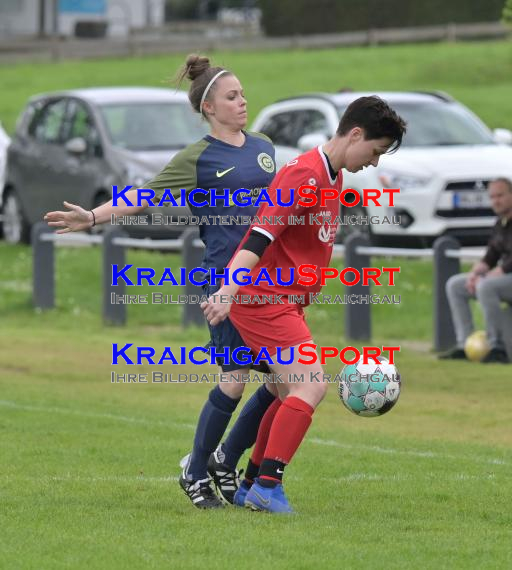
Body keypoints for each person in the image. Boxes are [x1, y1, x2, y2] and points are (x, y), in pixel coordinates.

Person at [43, 54, 281, 509]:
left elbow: (279, 211)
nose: (243, 101)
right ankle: (196, 470)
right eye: (232, 96)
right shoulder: (197, 158)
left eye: (243, 94)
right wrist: (93, 216)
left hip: (267, 281)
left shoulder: (265, 147)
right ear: (209, 107)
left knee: (283, 380)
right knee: (234, 378)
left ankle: (224, 459)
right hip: (222, 282)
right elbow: (143, 195)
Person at [201, 95, 407, 513]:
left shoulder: (334, 177)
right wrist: (227, 290)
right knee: (311, 384)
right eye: (375, 150)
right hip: (263, 299)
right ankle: (266, 486)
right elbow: (260, 235)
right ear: (355, 134)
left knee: (282, 388)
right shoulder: (304, 175)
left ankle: (247, 482)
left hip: (284, 302)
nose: (374, 162)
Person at [440, 178, 512, 364]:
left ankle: (497, 347)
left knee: (486, 286)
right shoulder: (500, 223)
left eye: (500, 195)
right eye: (492, 197)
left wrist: (490, 275)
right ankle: (464, 344)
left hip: (506, 277)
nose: (495, 201)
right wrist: (475, 274)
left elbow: (507, 265)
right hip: (505, 279)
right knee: (456, 285)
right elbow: (490, 256)